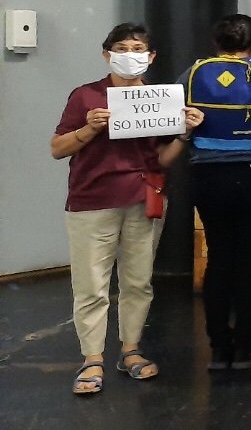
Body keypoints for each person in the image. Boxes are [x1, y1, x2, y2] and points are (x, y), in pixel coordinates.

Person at [52, 23, 203, 395]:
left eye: (138, 48)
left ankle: (130, 349)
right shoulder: (86, 97)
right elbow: (58, 148)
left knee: (138, 280)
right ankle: (92, 358)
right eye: (121, 47)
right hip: (91, 201)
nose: (130, 54)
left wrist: (185, 133)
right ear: (107, 54)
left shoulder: (161, 99)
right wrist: (88, 129)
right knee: (91, 285)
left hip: (144, 199)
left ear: (150, 56)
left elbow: (163, 156)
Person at [181, 14, 251, 370]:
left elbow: (173, 119)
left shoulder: (192, 75)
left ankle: (218, 349)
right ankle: (246, 345)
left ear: (217, 43)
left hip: (207, 177)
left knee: (219, 257)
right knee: (249, 260)